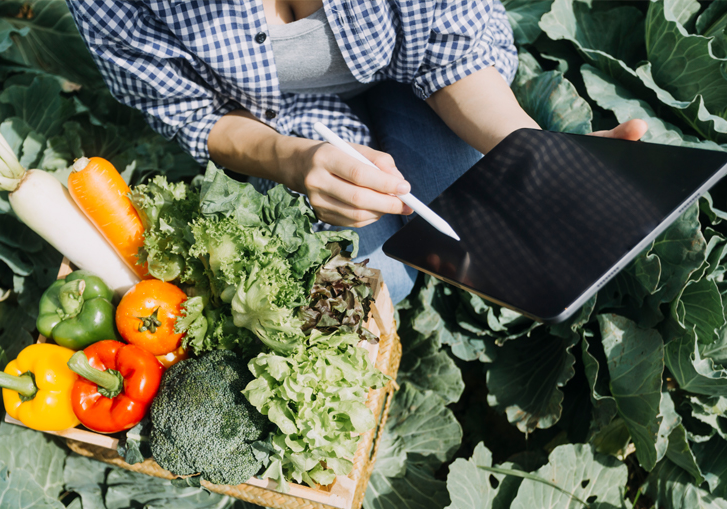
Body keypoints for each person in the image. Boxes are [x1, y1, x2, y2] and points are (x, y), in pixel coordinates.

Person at [66, 0, 648, 303]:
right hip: (276, 120)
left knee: (461, 216)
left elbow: (449, 37)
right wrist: (293, 161)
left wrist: (529, 152)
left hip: (413, 76)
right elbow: (193, 113)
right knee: (381, 282)